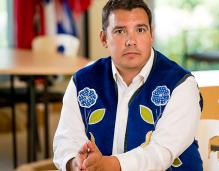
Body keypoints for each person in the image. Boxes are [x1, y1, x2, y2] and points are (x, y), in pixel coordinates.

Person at [53, 0, 203, 170]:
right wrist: (77, 164)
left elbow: (160, 153)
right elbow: (66, 141)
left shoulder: (181, 84)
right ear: (104, 38)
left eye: (140, 30)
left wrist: (106, 165)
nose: (131, 41)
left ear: (151, 34)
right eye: (120, 31)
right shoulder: (82, 81)